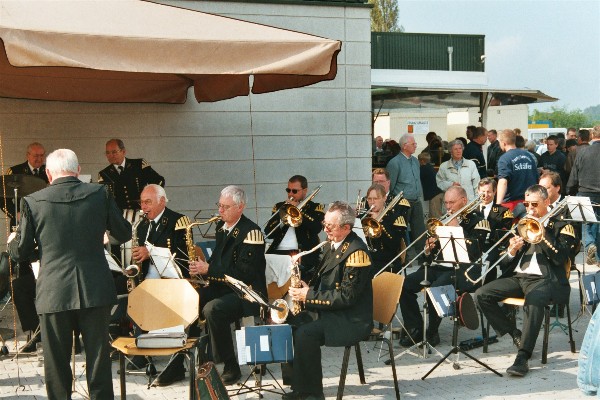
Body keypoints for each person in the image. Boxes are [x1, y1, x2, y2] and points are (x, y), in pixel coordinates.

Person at [8, 149, 131, 399]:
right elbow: (124, 232)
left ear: (49, 173)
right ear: (77, 171)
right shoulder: (100, 193)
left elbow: (20, 252)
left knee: (56, 363)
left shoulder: (33, 201)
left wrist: (13, 241)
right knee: (98, 360)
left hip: (54, 290)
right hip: (94, 287)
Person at [475, 184, 576, 377]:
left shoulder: (562, 224)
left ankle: (523, 356)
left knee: (535, 299)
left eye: (534, 205)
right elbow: (504, 262)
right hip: (519, 277)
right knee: (481, 294)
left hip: (545, 279)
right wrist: (511, 251)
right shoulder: (521, 223)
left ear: (547, 202)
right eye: (527, 204)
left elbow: (560, 257)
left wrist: (541, 232)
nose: (529, 209)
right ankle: (514, 334)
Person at [282, 201, 373, 400]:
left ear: (346, 228)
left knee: (306, 333)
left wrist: (310, 296)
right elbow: (324, 279)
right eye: (325, 224)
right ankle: (299, 387)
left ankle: (313, 393)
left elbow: (347, 297)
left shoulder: (357, 253)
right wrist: (305, 284)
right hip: (335, 312)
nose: (325, 229)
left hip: (352, 319)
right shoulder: (333, 244)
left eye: (330, 226)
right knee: (289, 325)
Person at [189, 185, 267, 386]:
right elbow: (218, 262)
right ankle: (191, 359)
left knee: (213, 309)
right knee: (188, 299)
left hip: (247, 292)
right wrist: (201, 271)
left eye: (225, 207)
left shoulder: (252, 233)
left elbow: (244, 274)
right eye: (219, 205)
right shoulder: (221, 228)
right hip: (224, 287)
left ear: (240, 207)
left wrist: (209, 270)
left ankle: (230, 365)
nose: (220, 211)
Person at [399, 186, 488, 347]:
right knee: (405, 285)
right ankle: (416, 328)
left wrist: (457, 228)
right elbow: (433, 254)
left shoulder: (478, 220)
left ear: (464, 201)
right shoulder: (442, 220)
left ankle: (432, 332)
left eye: (452, 202)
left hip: (462, 269)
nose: (448, 207)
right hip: (438, 267)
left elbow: (475, 251)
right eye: (446, 202)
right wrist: (428, 249)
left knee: (435, 289)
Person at [126, 184, 192, 384]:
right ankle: (142, 351)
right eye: (142, 202)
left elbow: (184, 255)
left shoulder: (178, 220)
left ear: (162, 201)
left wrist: (151, 252)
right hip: (149, 281)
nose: (143, 207)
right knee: (134, 297)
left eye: (148, 202)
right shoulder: (142, 224)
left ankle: (176, 366)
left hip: (173, 281)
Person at [1, 142, 49, 352]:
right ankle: (32, 331)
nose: (39, 159)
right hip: (24, 228)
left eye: (41, 156)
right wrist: (15, 214)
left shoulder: (49, 173)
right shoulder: (15, 172)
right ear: (27, 154)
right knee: (20, 282)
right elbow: (2, 195)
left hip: (46, 228)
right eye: (35, 155)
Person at [265, 175, 324, 282]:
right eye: (288, 190)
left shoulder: (315, 207)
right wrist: (282, 214)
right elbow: (269, 232)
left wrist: (298, 211)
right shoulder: (279, 206)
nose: (290, 194)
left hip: (303, 253)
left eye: (294, 191)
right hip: (279, 252)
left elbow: (317, 228)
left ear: (305, 191)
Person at [98, 138, 165, 211]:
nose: (110, 155)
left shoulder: (139, 165)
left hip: (142, 212)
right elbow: (105, 199)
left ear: (123, 151)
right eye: (107, 153)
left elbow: (159, 181)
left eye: (114, 152)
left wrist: (150, 198)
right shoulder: (104, 174)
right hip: (119, 217)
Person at [387, 133, 427, 251]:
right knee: (401, 230)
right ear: (404, 146)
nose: (415, 146)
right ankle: (404, 258)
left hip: (416, 200)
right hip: (402, 202)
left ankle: (423, 256)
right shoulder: (394, 163)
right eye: (413, 143)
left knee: (420, 230)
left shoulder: (415, 161)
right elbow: (391, 185)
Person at [567, 125, 600, 266]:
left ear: (592, 136)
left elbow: (574, 175)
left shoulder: (583, 152)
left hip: (585, 192)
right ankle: (597, 255)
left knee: (586, 223)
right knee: (598, 225)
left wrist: (569, 191)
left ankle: (589, 245)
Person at [361, 183, 408, 275]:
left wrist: (380, 223)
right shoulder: (362, 217)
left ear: (384, 198)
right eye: (369, 199)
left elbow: (394, 245)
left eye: (376, 198)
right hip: (367, 259)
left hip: (387, 261)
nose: (372, 202)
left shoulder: (395, 218)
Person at [476, 178, 513, 282]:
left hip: (493, 246)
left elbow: (504, 234)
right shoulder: (471, 211)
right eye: (482, 191)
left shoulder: (503, 211)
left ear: (494, 192)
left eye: (488, 191)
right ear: (478, 191)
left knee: (489, 262)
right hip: (475, 246)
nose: (485, 195)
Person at [495, 129, 539, 216]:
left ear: (503, 143)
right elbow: (536, 177)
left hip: (511, 203)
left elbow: (503, 182)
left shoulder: (504, 158)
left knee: (508, 229)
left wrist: (498, 205)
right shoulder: (529, 156)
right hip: (529, 202)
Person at [418, 152, 443, 219]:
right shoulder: (430, 167)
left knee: (436, 217)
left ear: (422, 161)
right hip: (438, 193)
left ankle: (438, 229)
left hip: (434, 195)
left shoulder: (423, 169)